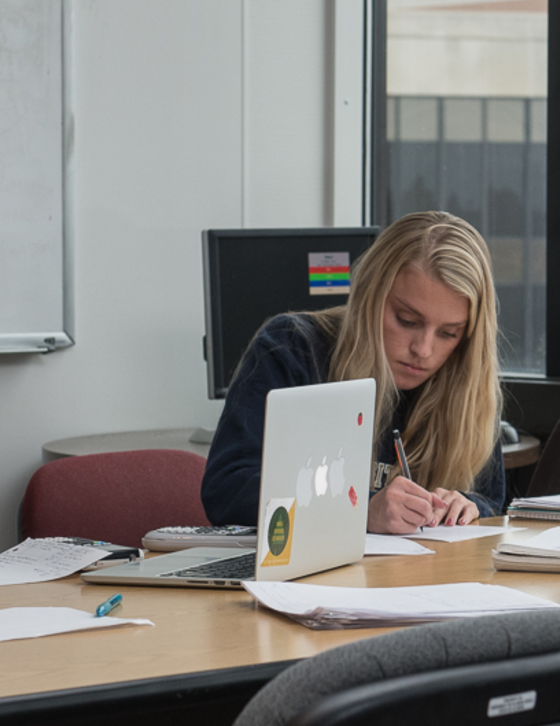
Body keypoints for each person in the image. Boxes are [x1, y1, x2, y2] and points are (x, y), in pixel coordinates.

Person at [202, 210, 506, 534]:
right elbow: (227, 490)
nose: (424, 349)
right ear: (370, 297)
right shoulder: (292, 348)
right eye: (407, 320)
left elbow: (490, 498)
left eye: (449, 333)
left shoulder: (465, 383)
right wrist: (360, 510)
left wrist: (465, 507)